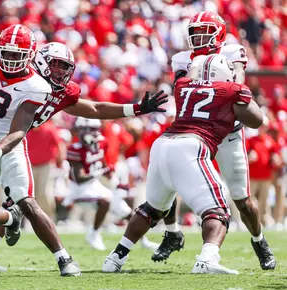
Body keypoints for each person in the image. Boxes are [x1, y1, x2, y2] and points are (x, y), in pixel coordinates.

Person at [0, 42, 167, 273]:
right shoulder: (25, 77)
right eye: (56, 65)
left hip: (13, 142)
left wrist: (135, 109)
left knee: (25, 199)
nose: (60, 71)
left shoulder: (61, 92)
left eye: (65, 67)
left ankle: (63, 259)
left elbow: (96, 109)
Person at [102, 53, 263, 275]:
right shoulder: (231, 89)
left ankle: (115, 257)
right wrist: (239, 80)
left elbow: (182, 74)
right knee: (218, 211)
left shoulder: (183, 85)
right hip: (191, 146)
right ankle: (207, 258)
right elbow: (257, 119)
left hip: (163, 144)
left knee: (152, 208)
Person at [158, 11, 276, 271]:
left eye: (205, 33)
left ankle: (259, 241)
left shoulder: (233, 53)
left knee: (242, 199)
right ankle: (172, 231)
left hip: (227, 132)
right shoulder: (181, 59)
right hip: (196, 130)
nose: (199, 39)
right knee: (167, 180)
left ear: (219, 34)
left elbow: (240, 89)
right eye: (195, 34)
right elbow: (181, 90)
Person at [63, 117, 133, 251]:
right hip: (79, 189)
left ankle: (144, 241)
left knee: (127, 211)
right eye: (84, 129)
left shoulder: (102, 143)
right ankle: (94, 234)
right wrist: (100, 172)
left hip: (95, 186)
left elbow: (103, 162)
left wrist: (112, 177)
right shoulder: (75, 149)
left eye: (91, 129)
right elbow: (79, 178)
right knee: (104, 201)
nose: (87, 132)